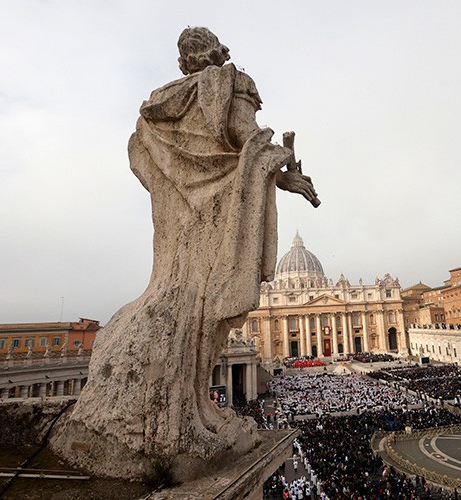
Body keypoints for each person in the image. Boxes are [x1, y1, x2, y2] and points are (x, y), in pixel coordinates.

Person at [53, 26, 317, 478]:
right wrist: (281, 166)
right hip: (218, 219)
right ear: (219, 50)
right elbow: (244, 137)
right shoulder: (232, 82)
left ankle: (181, 411)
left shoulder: (158, 106)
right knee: (206, 311)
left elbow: (142, 158)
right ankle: (186, 414)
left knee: (182, 303)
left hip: (181, 222)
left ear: (184, 60)